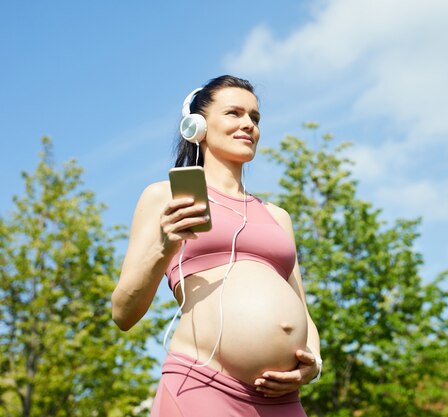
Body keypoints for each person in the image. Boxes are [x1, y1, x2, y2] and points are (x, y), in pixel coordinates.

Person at [111, 75, 321, 417]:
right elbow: (123, 313)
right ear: (197, 126)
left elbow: (303, 312)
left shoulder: (278, 216)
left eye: (255, 117)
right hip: (202, 384)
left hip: (282, 399)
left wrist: (314, 363)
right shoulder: (164, 196)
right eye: (234, 113)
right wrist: (165, 246)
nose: (248, 125)